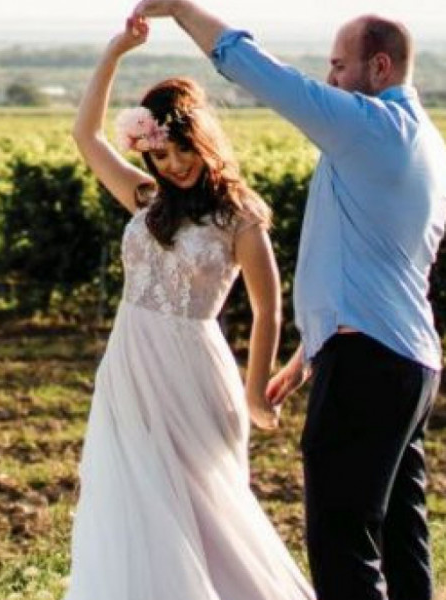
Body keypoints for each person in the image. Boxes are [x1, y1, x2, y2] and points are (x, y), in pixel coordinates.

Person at [131, 2, 446, 599]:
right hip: (409, 363)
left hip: (366, 364)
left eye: (339, 65)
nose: (330, 78)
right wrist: (308, 353)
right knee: (403, 541)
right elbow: (382, 264)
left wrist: (180, 9)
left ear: (379, 67)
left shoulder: (368, 127)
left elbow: (259, 70)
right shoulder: (425, 142)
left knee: (343, 543)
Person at [65, 14, 314, 600]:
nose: (174, 165)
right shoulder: (146, 198)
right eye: (161, 154)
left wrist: (256, 393)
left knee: (208, 508)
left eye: (184, 151)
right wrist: (115, 51)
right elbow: (86, 137)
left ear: (204, 142)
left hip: (192, 371)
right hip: (129, 367)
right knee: (134, 499)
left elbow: (269, 309)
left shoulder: (240, 215)